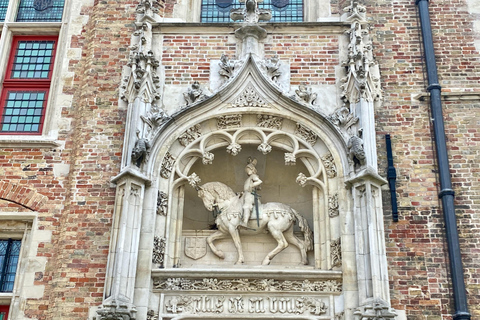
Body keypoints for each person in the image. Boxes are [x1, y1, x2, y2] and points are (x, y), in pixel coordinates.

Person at [241, 157, 262, 227]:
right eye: (246, 170)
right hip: (247, 194)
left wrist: (251, 186)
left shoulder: (253, 176)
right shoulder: (249, 178)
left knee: (246, 206)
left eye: (248, 169)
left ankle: (245, 222)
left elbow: (259, 181)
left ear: (252, 169)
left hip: (250, 195)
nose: (247, 171)